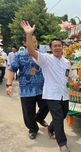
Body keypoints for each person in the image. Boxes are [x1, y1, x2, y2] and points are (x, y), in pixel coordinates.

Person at [20, 20, 71, 152]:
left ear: (62, 47)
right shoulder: (46, 59)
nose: (57, 48)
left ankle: (51, 128)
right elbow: (31, 51)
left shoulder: (67, 62)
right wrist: (29, 35)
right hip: (51, 95)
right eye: (54, 46)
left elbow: (69, 77)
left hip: (64, 95)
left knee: (63, 115)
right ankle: (62, 144)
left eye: (59, 45)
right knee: (59, 118)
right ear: (51, 48)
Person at [6, 35, 49, 140]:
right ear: (25, 43)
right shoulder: (19, 56)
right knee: (28, 112)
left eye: (35, 41)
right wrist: (9, 84)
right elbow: (12, 70)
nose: (34, 43)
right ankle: (33, 129)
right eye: (31, 41)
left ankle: (39, 118)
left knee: (47, 105)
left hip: (42, 88)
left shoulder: (42, 55)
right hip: (26, 89)